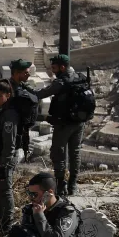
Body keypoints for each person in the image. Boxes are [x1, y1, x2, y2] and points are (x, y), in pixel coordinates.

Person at [37, 54, 90, 197]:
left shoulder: (61, 82)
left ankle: (61, 185)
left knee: (58, 153)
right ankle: (73, 184)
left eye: (54, 68)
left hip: (63, 124)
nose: (53, 71)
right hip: (79, 123)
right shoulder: (80, 77)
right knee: (75, 153)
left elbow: (43, 93)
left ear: (62, 67)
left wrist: (27, 92)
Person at [0, 80, 24, 236]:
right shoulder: (0, 110)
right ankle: (1, 221)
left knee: (4, 190)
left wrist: (5, 164)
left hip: (5, 158)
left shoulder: (9, 114)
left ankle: (7, 224)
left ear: (8, 96)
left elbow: (10, 142)